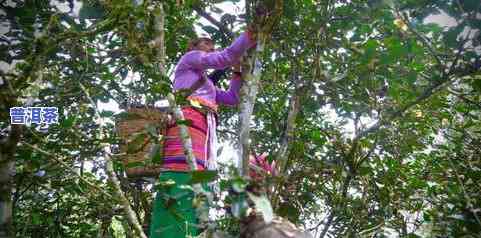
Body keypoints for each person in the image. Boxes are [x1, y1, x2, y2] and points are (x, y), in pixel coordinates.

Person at [149, 30, 256, 238]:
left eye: (212, 44)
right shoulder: (189, 59)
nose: (211, 47)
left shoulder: (207, 85)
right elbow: (224, 57)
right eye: (206, 43)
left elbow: (233, 98)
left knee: (196, 192)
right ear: (193, 46)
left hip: (202, 142)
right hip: (186, 129)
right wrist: (251, 34)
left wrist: (236, 73)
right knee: (178, 183)